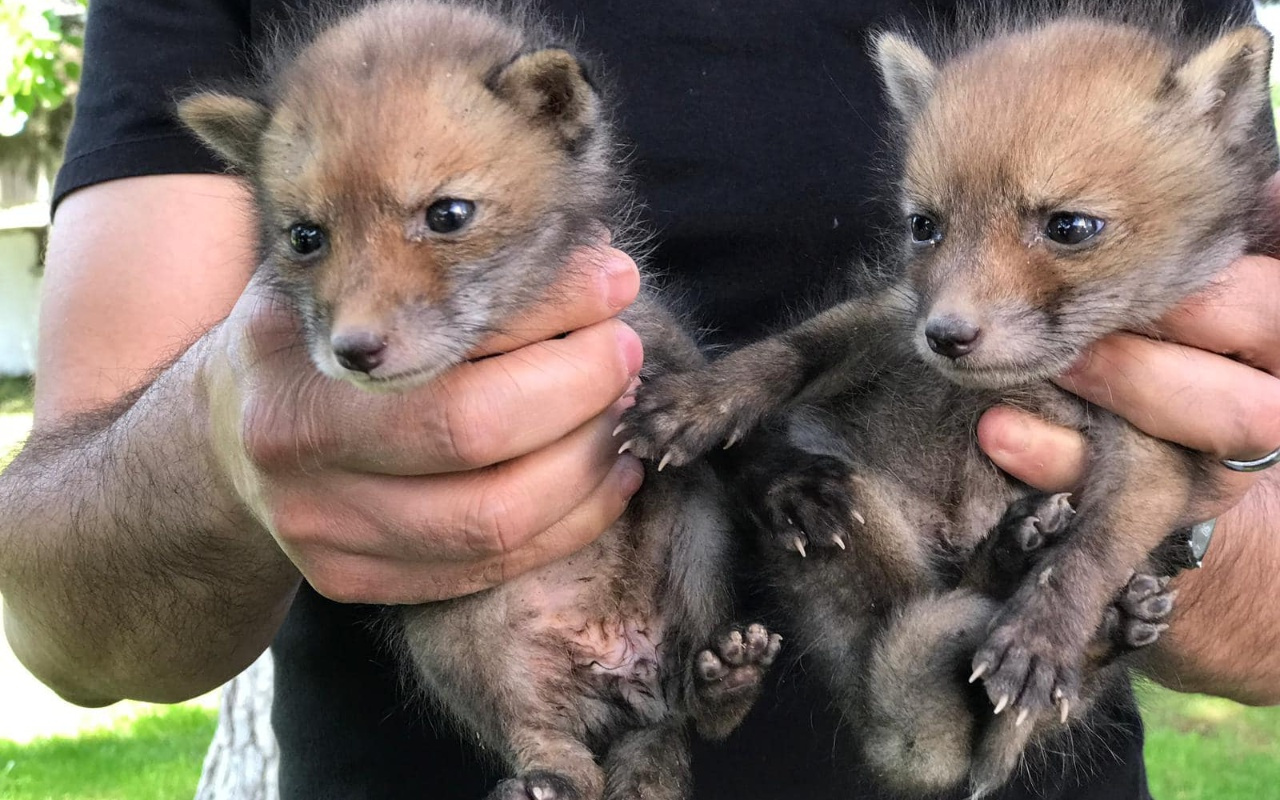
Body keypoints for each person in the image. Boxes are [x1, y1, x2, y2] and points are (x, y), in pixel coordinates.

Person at [2, 0, 1278, 797]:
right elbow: (72, 630)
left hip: (962, 703)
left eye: (446, 217)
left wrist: (1148, 519)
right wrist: (219, 439)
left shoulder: (1152, 100)